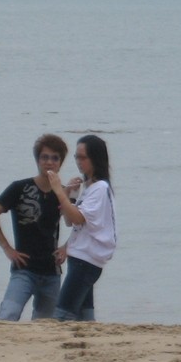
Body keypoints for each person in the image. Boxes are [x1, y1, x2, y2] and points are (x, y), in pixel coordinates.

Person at [0, 134, 81, 321]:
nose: (49, 162)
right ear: (38, 160)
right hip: (24, 269)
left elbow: (77, 224)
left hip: (51, 271)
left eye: (55, 158)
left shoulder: (62, 193)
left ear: (60, 162)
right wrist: (7, 248)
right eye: (45, 157)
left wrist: (67, 247)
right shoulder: (20, 188)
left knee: (46, 325)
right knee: (8, 314)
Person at [48, 135, 116, 322]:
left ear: (95, 158)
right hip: (82, 257)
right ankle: (88, 346)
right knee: (84, 316)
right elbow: (73, 222)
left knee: (62, 314)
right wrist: (70, 195)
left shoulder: (100, 188)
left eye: (83, 157)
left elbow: (77, 218)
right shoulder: (89, 187)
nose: (79, 162)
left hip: (87, 260)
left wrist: (59, 191)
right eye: (76, 157)